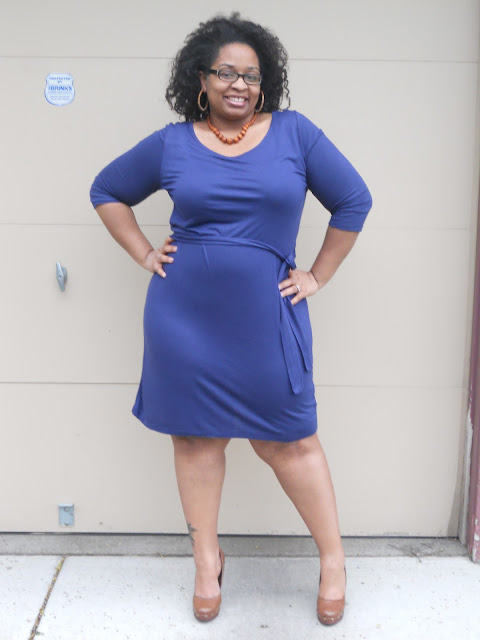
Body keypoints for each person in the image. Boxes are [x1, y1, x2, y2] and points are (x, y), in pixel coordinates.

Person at [90, 12, 372, 626]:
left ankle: (333, 561)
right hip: (183, 319)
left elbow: (354, 200)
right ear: (201, 79)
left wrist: (317, 275)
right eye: (225, 72)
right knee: (196, 439)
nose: (239, 84)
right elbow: (107, 190)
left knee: (289, 440)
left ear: (264, 82)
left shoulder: (296, 134)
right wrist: (144, 252)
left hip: (267, 316)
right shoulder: (172, 143)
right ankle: (206, 561)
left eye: (251, 75)